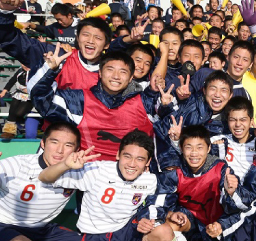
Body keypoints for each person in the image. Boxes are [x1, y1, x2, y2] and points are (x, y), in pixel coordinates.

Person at [38, 131, 202, 241]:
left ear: (147, 163)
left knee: (164, 230)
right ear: (117, 155)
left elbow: (157, 203)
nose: (132, 164)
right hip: (99, 239)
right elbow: (45, 177)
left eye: (140, 159)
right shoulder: (96, 171)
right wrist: (64, 165)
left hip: (127, 230)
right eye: (127, 156)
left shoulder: (149, 180)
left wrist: (164, 216)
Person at [28, 48, 163, 162]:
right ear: (99, 72)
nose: (116, 76)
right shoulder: (78, 101)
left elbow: (172, 123)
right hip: (84, 176)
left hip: (129, 177)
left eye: (123, 72)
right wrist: (49, 70)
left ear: (131, 77)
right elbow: (41, 99)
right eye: (110, 69)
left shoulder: (145, 102)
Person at [0, 0, 114, 91]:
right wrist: (3, 13)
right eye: (86, 35)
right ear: (77, 38)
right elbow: (10, 41)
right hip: (57, 122)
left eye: (98, 38)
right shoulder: (57, 57)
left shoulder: (116, 70)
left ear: (107, 44)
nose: (91, 41)